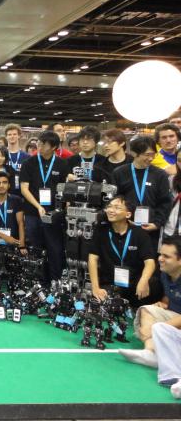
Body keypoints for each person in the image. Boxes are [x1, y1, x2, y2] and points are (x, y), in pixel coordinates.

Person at [118, 236, 181, 373]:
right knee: (147, 310)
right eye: (160, 254)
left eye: (166, 256)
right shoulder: (166, 273)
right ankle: (150, 353)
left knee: (157, 327)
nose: (160, 259)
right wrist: (164, 303)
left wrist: (156, 328)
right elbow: (171, 294)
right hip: (176, 317)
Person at [88, 196, 157, 307]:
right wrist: (95, 287)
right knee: (97, 303)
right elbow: (92, 258)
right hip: (110, 283)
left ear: (128, 214)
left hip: (134, 283)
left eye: (117, 208)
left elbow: (150, 262)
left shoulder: (140, 234)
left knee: (153, 285)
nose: (111, 210)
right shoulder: (101, 231)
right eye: (109, 207)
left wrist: (144, 281)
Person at [19, 130, 68, 281]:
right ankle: (37, 281)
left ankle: (55, 281)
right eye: (39, 142)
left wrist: (63, 209)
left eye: (43, 144)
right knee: (35, 248)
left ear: (53, 147)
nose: (39, 145)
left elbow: (65, 189)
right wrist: (38, 206)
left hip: (54, 215)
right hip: (33, 212)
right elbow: (24, 189)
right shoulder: (29, 163)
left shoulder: (62, 164)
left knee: (55, 249)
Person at [112, 136, 172, 251]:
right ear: (134, 153)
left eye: (153, 154)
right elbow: (116, 200)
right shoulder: (120, 173)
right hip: (125, 226)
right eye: (147, 154)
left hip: (151, 229)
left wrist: (157, 223)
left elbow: (165, 202)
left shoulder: (160, 175)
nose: (151, 158)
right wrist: (123, 219)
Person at [4, 123, 30, 191]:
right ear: (6, 137)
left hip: (22, 192)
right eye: (9, 134)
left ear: (19, 136)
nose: (12, 136)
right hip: (5, 192)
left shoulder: (27, 156)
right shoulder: (2, 155)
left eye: (14, 134)